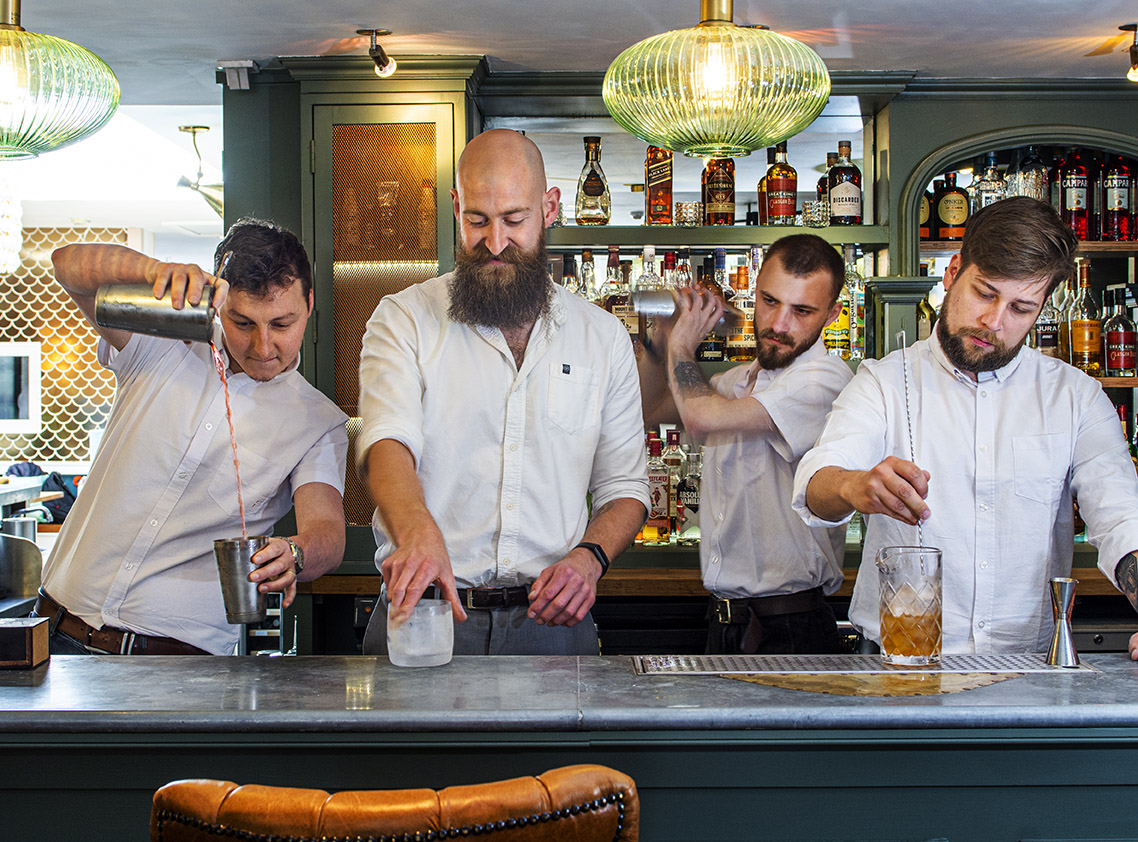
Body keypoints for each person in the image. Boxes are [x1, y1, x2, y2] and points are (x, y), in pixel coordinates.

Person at [794, 197, 1138, 668]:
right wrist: (855, 485)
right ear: (953, 271)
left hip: (1031, 667)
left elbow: (1122, 517)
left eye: (1021, 308)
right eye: (985, 293)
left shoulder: (1076, 398)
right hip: (899, 665)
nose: (994, 322)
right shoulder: (882, 383)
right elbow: (816, 484)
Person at [358, 129, 649, 656]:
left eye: (514, 220)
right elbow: (386, 444)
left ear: (549, 208)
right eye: (477, 221)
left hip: (554, 624)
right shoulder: (403, 319)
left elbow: (626, 487)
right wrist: (418, 531)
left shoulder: (602, 337)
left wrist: (592, 557)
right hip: (427, 609)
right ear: (455, 207)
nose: (495, 243)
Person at [38, 220, 349, 656]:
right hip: (55, 631)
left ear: (309, 304)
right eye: (243, 322)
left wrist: (294, 554)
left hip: (179, 662)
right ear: (217, 304)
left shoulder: (317, 422)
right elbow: (66, 265)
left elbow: (328, 537)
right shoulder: (161, 342)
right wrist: (152, 271)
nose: (263, 346)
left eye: (282, 324)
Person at [639, 234, 853, 654]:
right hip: (726, 621)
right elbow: (652, 409)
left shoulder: (825, 380)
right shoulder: (738, 381)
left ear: (833, 314)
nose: (778, 323)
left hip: (791, 627)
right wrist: (659, 341)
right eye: (770, 301)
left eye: (802, 310)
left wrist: (684, 345)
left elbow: (700, 416)